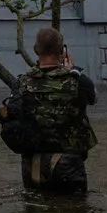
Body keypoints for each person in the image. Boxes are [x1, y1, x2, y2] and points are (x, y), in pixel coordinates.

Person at [16, 27, 97, 193]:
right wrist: (72, 71)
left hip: (32, 164)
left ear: (35, 50)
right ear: (62, 51)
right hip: (68, 163)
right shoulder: (77, 81)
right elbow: (93, 98)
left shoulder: (21, 84)